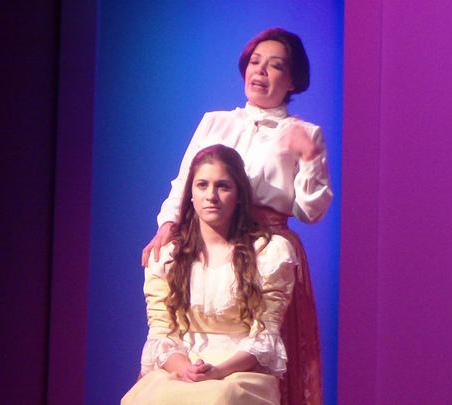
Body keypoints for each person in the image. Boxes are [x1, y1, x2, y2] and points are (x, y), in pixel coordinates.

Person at [141, 27, 331, 405]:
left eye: (275, 66)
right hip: (211, 239)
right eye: (255, 62)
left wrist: (309, 157)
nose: (260, 71)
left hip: (264, 247)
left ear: (292, 80)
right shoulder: (216, 122)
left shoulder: (304, 133)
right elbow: (186, 180)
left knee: (269, 349)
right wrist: (168, 225)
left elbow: (311, 210)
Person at [123, 145, 297, 405]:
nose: (211, 196)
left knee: (219, 398)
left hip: (240, 372)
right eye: (202, 185)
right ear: (191, 194)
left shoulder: (268, 252)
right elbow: (161, 331)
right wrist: (185, 368)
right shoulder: (168, 257)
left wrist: (217, 371)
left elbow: (265, 334)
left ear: (238, 195)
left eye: (222, 186)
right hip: (181, 366)